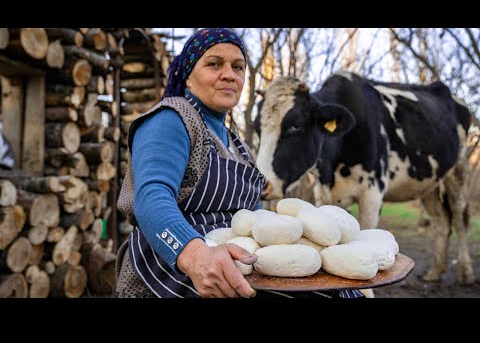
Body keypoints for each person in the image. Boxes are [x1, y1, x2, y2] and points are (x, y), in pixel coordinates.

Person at [115, 28, 365, 299]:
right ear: (187, 76)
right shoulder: (170, 119)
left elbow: (253, 220)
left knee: (339, 291)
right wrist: (195, 254)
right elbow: (151, 199)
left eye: (238, 67)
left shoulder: (239, 147)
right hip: (175, 267)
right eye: (214, 64)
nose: (229, 74)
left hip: (237, 261)